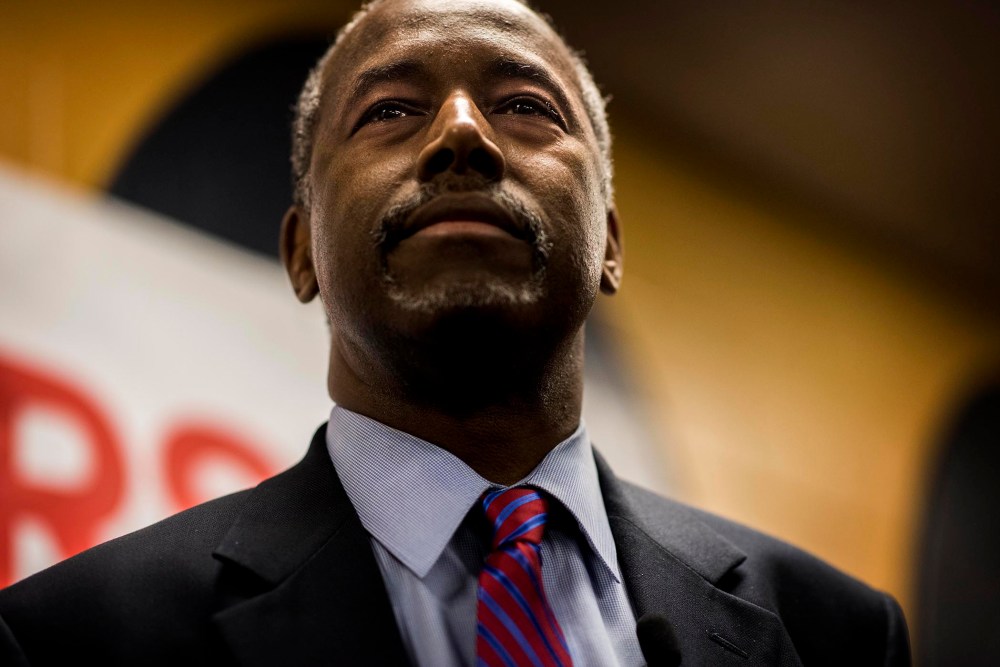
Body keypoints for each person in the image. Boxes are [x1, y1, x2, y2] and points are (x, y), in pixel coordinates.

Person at [0, 0, 911, 665]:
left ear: (611, 247)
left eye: (526, 106)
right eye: (390, 110)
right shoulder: (66, 641)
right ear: (302, 250)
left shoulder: (837, 634)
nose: (464, 134)